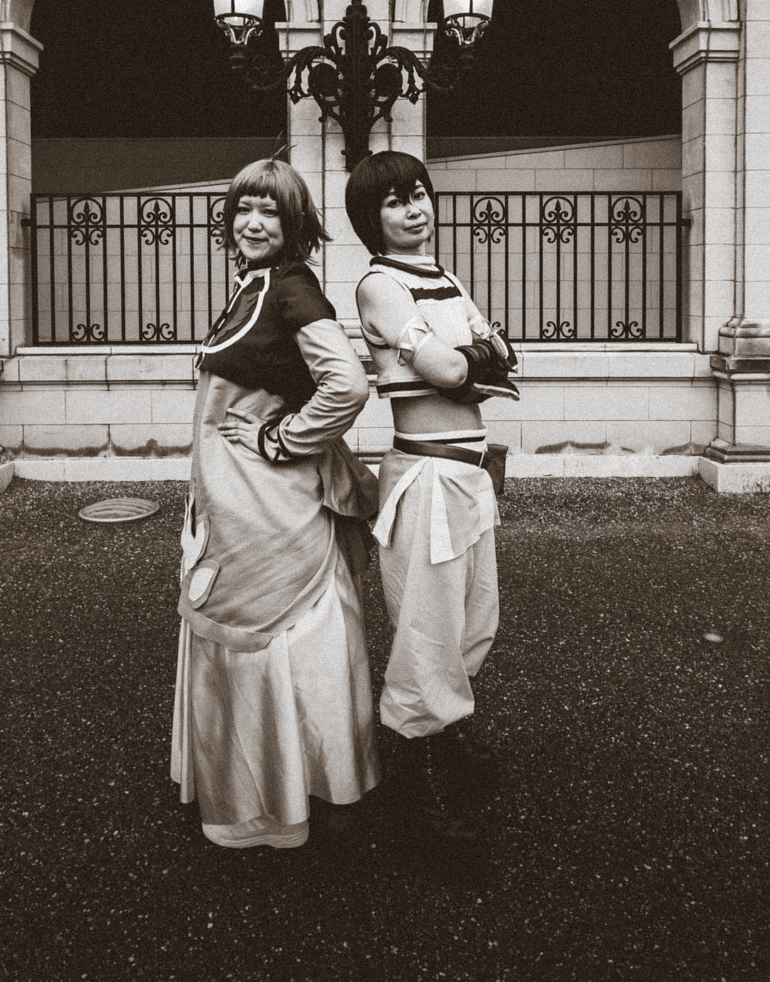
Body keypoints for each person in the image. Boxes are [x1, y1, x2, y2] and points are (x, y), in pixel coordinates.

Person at [170, 158, 381, 850]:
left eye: (270, 211)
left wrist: (279, 438)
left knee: (283, 634)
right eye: (244, 209)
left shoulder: (291, 287)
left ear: (294, 224)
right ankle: (287, 784)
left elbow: (346, 384)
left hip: (269, 505)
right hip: (236, 502)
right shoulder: (254, 286)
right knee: (264, 634)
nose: (253, 223)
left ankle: (300, 792)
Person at [344, 151, 519, 848]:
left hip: (469, 476)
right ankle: (420, 797)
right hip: (426, 477)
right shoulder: (380, 285)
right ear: (372, 218)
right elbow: (454, 365)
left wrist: (472, 360)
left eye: (419, 194)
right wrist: (475, 359)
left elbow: (503, 357)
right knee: (427, 632)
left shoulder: (443, 276)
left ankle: (446, 741)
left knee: (476, 621)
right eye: (395, 201)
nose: (414, 209)